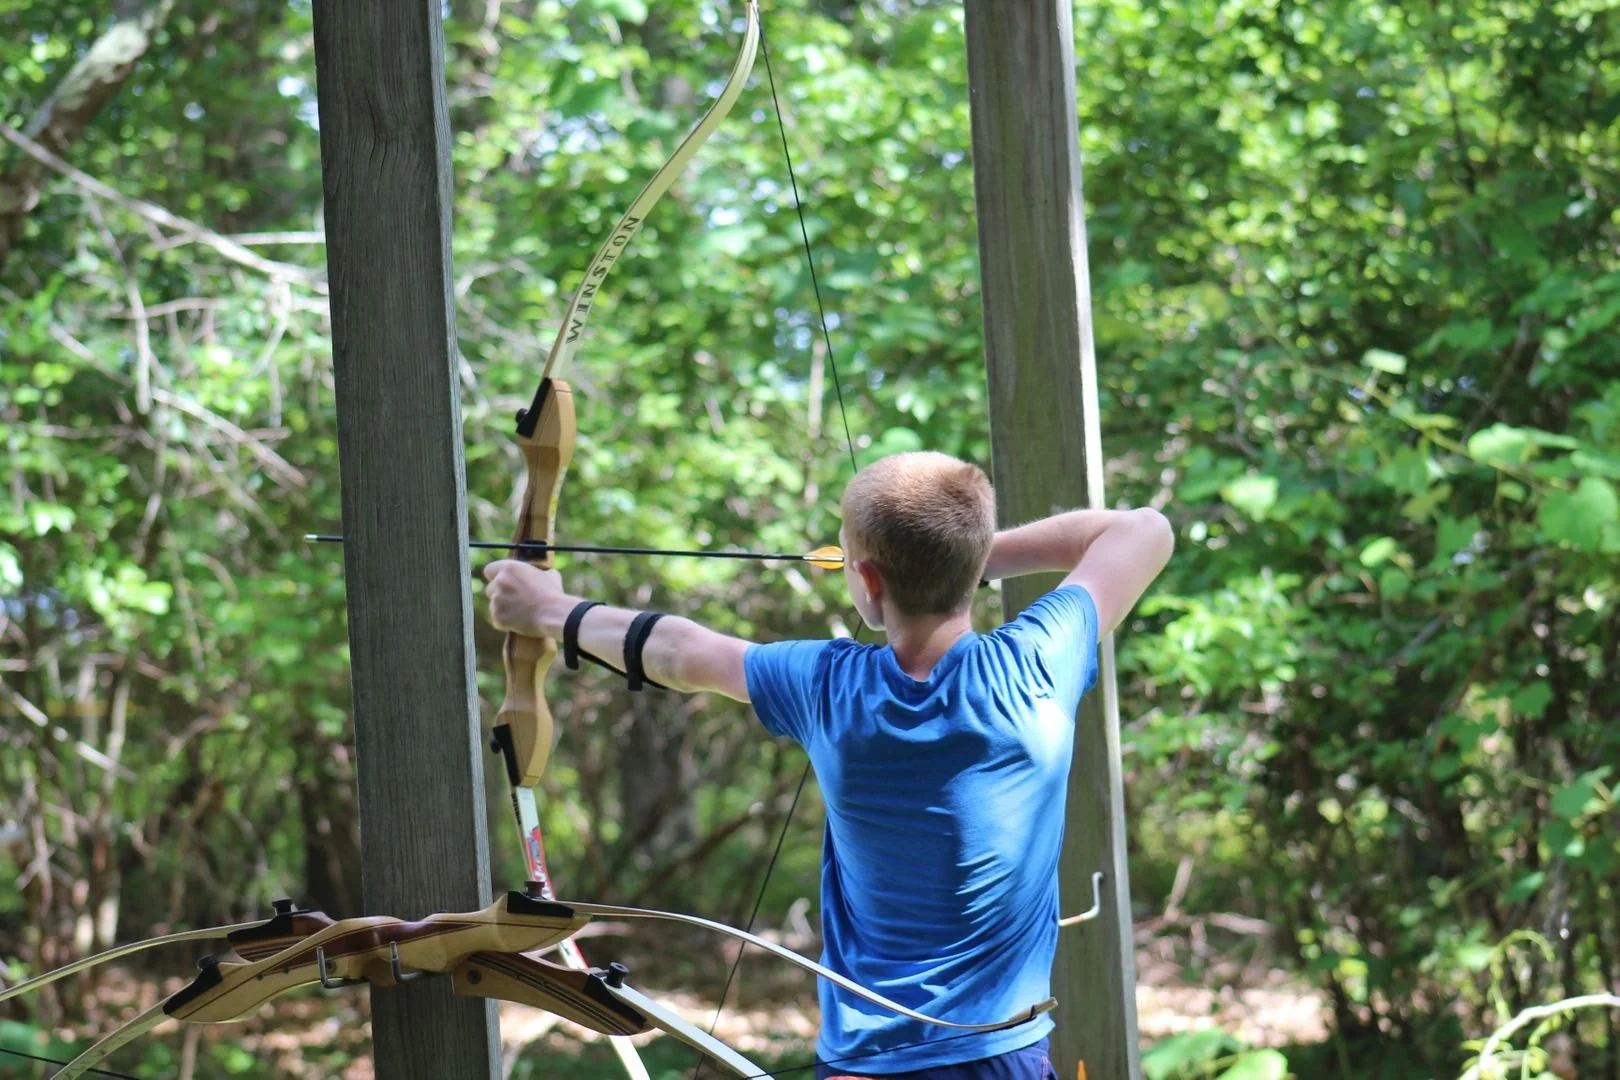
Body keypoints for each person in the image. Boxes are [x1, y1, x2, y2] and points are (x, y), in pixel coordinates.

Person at [483, 451, 1174, 1080]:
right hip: (1004, 1059)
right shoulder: (1038, 663)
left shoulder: (831, 687)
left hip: (866, 1068)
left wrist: (549, 610)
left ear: (868, 581)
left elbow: (680, 652)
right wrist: (958, 555)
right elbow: (1144, 529)